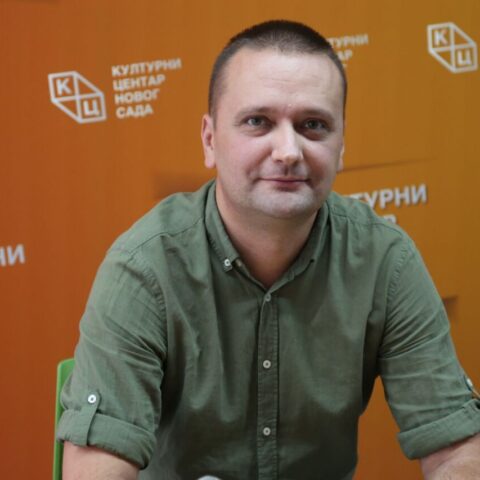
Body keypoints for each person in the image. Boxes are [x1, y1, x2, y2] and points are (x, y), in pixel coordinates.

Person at [58, 20, 480, 480]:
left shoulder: (385, 262)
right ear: (210, 140)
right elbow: (97, 466)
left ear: (341, 147)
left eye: (313, 125)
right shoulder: (144, 267)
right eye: (257, 122)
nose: (288, 151)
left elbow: (457, 450)